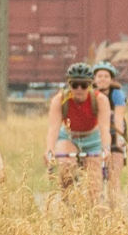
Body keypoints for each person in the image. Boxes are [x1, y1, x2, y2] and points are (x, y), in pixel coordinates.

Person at [46, 61, 111, 194]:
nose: (79, 89)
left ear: (91, 85)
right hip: (70, 137)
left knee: (94, 186)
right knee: (66, 168)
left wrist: (106, 148)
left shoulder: (100, 100)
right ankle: (69, 204)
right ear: (69, 85)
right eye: (75, 85)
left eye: (84, 85)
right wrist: (50, 149)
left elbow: (105, 128)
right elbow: (54, 128)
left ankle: (93, 211)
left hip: (92, 139)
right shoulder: (60, 100)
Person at [94, 62, 128, 200]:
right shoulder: (89, 93)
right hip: (95, 134)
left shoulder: (117, 94)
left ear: (112, 80)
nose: (102, 79)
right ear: (94, 79)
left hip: (114, 132)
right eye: (99, 76)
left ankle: (115, 209)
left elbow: (119, 117)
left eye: (106, 76)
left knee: (113, 175)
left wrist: (120, 137)